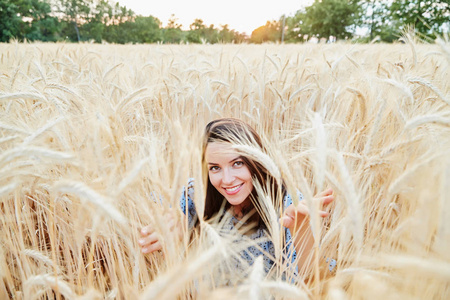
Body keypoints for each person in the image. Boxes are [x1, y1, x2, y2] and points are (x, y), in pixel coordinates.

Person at [139, 118, 335, 277]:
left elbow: (319, 283)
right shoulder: (196, 194)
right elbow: (148, 203)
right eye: (215, 167)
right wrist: (170, 221)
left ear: (256, 161)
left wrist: (301, 230)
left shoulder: (287, 204)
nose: (227, 180)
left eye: (237, 163)